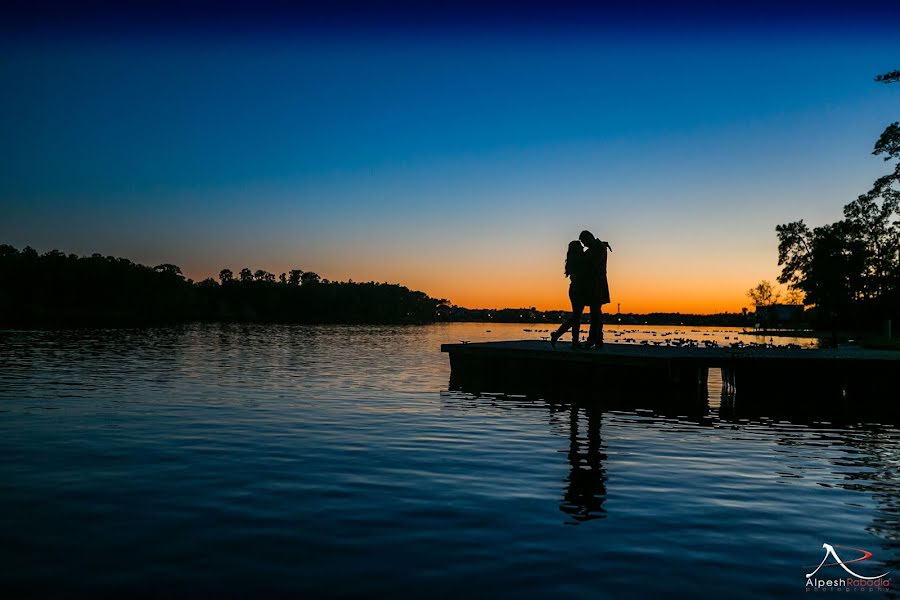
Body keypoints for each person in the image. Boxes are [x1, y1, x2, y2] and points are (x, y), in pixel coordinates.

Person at [550, 241, 592, 349]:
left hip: (574, 290)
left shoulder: (572, 259)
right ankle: (572, 341)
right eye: (580, 247)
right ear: (577, 249)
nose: (583, 248)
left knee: (576, 317)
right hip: (578, 291)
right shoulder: (578, 259)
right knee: (576, 317)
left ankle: (559, 336)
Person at [579, 230, 611, 348]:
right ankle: (597, 340)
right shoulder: (598, 247)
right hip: (595, 284)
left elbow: (592, 265)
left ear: (589, 238)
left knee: (595, 313)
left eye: (584, 242)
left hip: (596, 285)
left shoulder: (598, 249)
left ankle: (593, 340)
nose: (584, 245)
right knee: (596, 313)